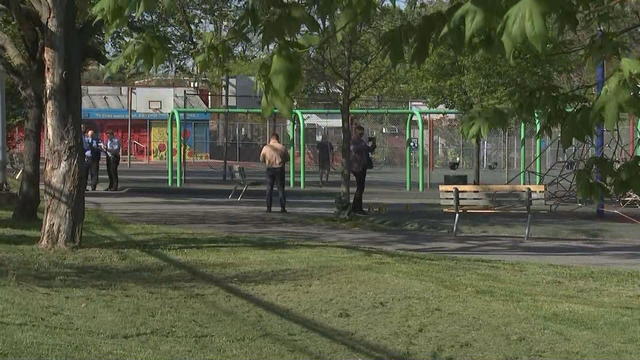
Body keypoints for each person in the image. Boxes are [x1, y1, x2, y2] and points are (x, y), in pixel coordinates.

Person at [260, 133, 289, 213]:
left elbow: (261, 159)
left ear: (271, 139)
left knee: (269, 189)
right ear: (277, 138)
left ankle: (268, 208)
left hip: (270, 169)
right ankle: (282, 208)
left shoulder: (266, 147)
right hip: (280, 169)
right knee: (281, 189)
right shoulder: (282, 147)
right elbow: (287, 158)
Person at [350, 125, 376, 215]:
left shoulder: (361, 141)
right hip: (357, 167)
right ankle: (357, 208)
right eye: (360, 133)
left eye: (362, 133)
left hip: (362, 166)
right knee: (360, 187)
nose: (361, 134)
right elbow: (354, 149)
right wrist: (366, 146)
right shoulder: (354, 141)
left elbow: (369, 149)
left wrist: (373, 144)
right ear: (356, 132)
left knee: (361, 187)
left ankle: (356, 207)